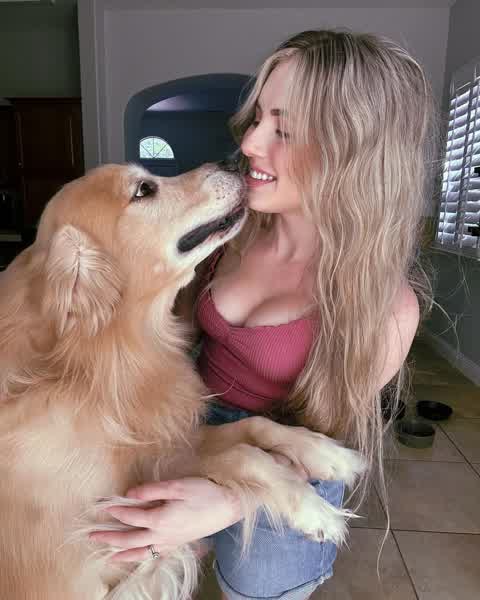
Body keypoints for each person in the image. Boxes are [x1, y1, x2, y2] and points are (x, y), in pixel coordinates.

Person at [90, 29, 438, 599]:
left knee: (255, 586)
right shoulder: (232, 227)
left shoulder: (388, 308)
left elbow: (320, 447)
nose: (250, 142)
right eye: (257, 119)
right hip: (189, 424)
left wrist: (225, 502)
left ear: (353, 151)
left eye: (285, 130)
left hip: (286, 462)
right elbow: (163, 334)